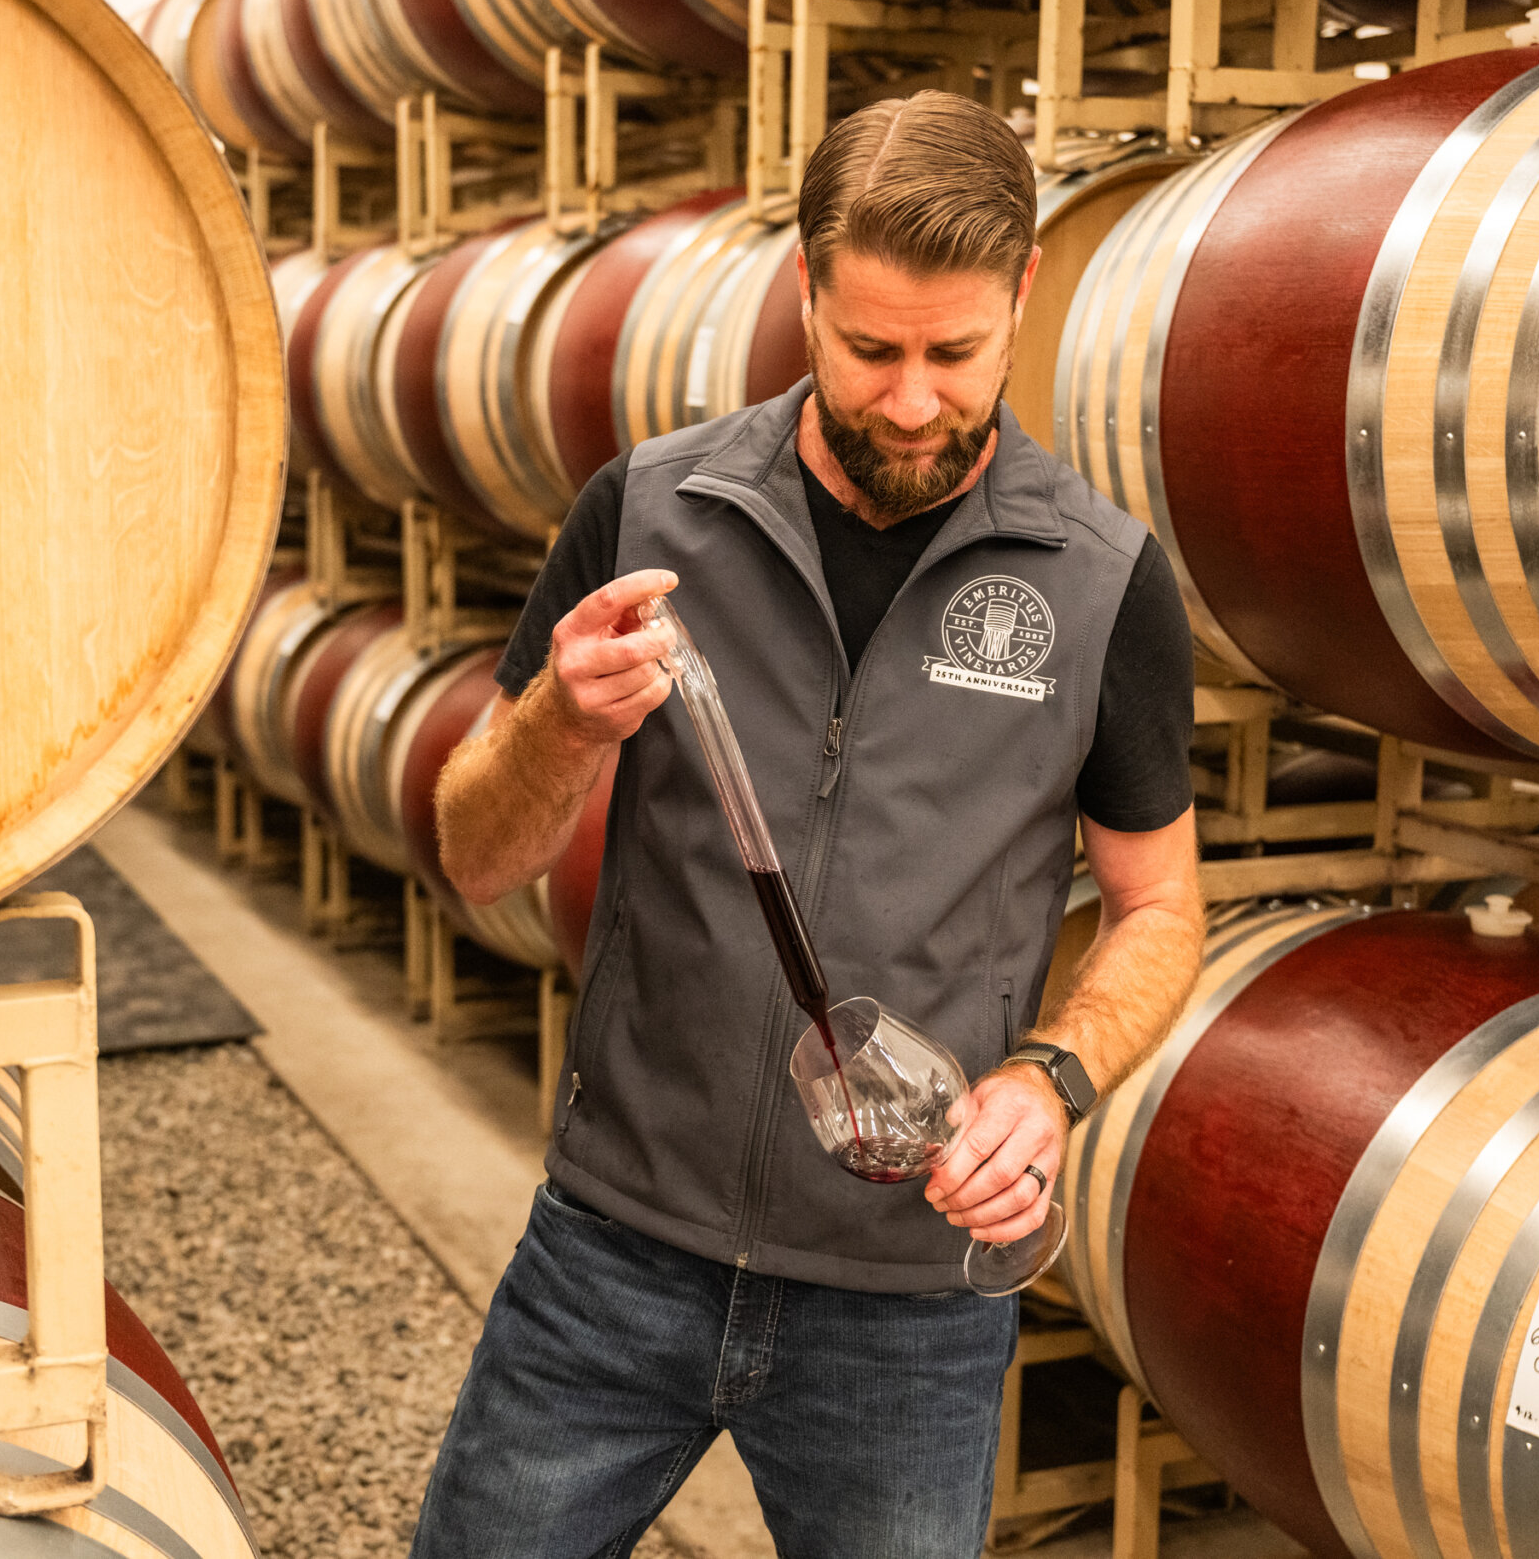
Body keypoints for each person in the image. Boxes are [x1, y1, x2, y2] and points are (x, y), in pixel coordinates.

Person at [414, 90, 1204, 1558]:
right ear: (803, 290)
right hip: (614, 1251)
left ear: (1026, 293)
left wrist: (1050, 1084)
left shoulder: (1103, 584)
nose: (911, 400)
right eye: (869, 349)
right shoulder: (650, 514)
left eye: (955, 354)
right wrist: (560, 727)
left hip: (905, 1301)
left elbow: (1160, 910)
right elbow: (476, 852)